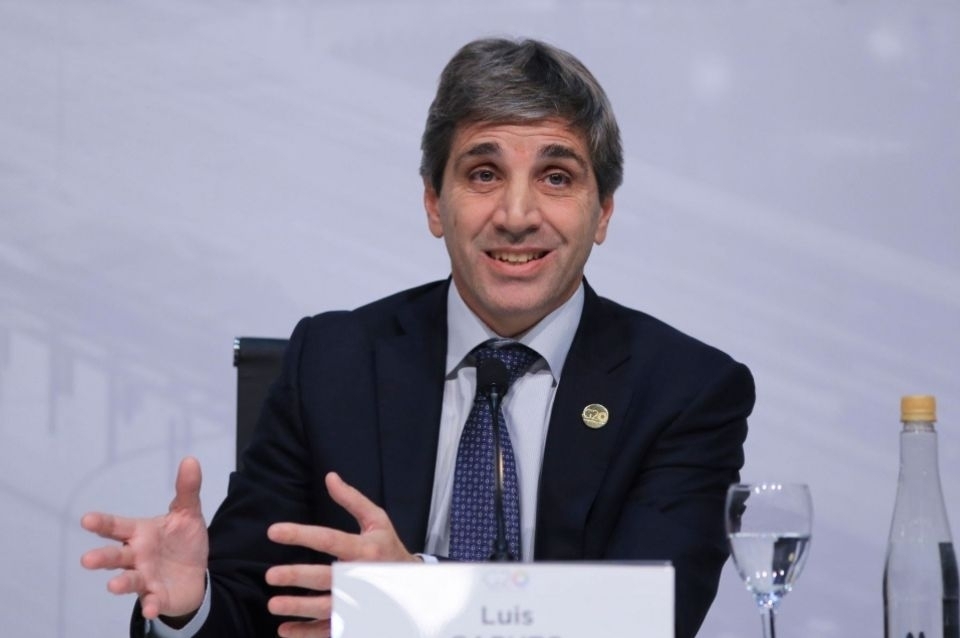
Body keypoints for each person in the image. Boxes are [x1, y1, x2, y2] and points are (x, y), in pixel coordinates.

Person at [81, 37, 754, 638]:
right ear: (435, 202)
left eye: (556, 177)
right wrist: (189, 607)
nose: (517, 215)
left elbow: (644, 620)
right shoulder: (332, 362)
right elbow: (253, 607)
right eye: (484, 173)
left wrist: (419, 600)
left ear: (602, 211)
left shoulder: (686, 392)